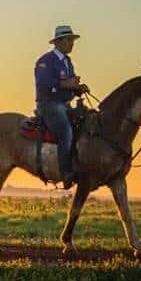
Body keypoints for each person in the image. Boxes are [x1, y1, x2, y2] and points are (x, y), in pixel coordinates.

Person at [34, 25, 89, 189]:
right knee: (66, 130)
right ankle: (65, 173)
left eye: (72, 41)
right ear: (58, 42)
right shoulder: (45, 61)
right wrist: (66, 84)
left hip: (65, 104)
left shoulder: (67, 62)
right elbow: (43, 84)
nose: (72, 44)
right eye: (69, 40)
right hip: (49, 104)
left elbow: (69, 85)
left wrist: (78, 89)